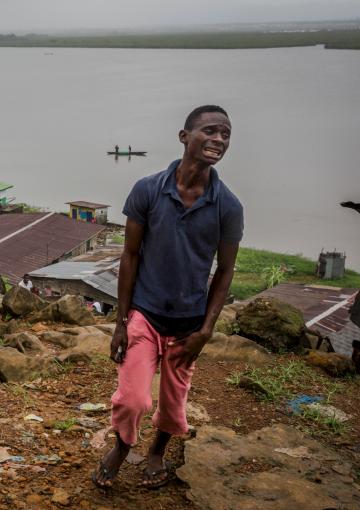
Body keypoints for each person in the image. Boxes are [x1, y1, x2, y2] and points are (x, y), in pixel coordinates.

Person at [91, 105, 242, 491]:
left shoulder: (228, 206)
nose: (219, 140)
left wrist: (206, 330)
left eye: (225, 134)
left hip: (188, 326)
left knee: (174, 404)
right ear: (184, 136)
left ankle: (157, 452)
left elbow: (224, 272)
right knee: (132, 400)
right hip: (145, 314)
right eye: (210, 131)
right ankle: (122, 447)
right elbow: (131, 255)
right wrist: (121, 322)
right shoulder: (147, 190)